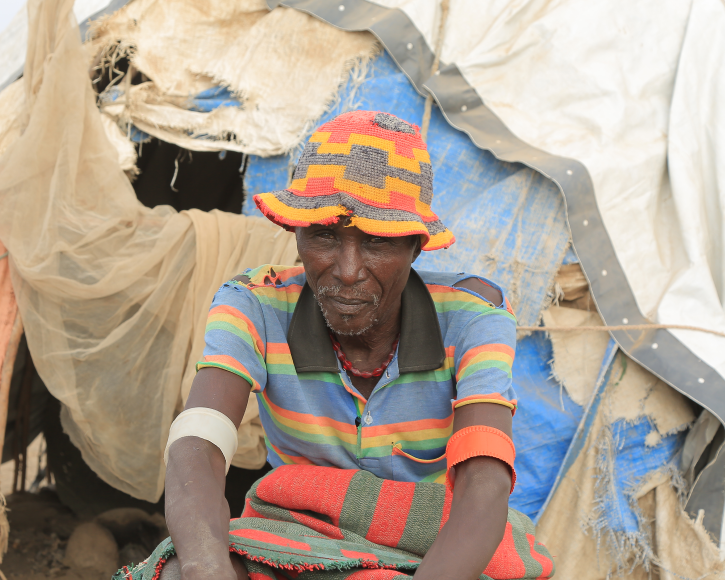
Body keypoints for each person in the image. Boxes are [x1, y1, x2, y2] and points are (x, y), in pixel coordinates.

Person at [156, 111, 547, 580]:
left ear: (416, 246)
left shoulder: (472, 320)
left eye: (377, 242)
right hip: (296, 535)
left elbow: (484, 485)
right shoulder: (253, 307)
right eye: (323, 235)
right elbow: (197, 446)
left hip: (433, 548)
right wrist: (205, 566)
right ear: (295, 234)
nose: (346, 270)